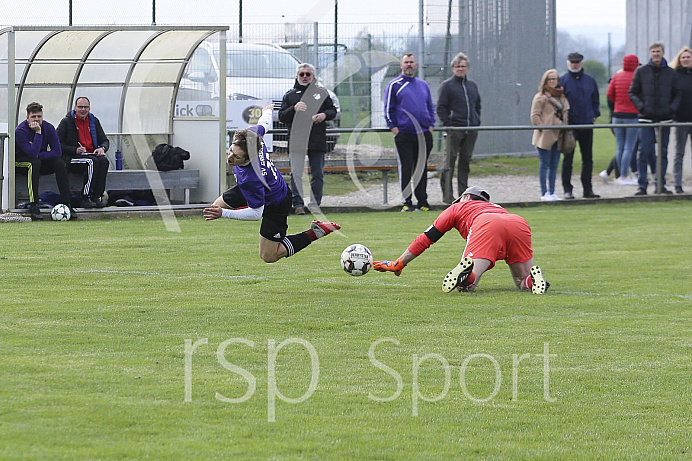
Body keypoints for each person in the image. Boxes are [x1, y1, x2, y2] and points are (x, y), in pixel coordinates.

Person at [203, 104, 340, 263]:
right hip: (259, 188)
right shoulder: (252, 137)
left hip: (277, 202)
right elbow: (264, 124)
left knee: (269, 256)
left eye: (236, 157)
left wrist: (224, 214)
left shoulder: (252, 178)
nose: (230, 158)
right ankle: (247, 205)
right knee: (215, 206)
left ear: (249, 159)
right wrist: (267, 111)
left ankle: (316, 232)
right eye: (231, 151)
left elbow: (256, 214)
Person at [373, 186, 549, 294]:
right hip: (517, 222)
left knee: (466, 287)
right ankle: (532, 280)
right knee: (521, 281)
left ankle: (466, 278)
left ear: (466, 197)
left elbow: (426, 239)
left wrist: (399, 263)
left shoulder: (459, 206)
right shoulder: (495, 206)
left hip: (487, 223)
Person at [278, 63, 338, 215]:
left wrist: (324, 115)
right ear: (297, 76)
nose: (304, 77)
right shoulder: (290, 95)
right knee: (296, 173)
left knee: (317, 174)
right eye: (301, 74)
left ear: (313, 76)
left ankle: (315, 204)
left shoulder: (322, 93)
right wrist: (294, 109)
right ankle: (298, 204)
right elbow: (281, 116)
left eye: (307, 74)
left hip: (317, 139)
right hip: (297, 140)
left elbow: (332, 110)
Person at [384, 53, 436, 212]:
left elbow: (430, 107)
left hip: (423, 134)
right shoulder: (394, 85)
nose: (409, 65)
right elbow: (388, 109)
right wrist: (394, 129)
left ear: (416, 65)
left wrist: (431, 125)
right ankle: (407, 202)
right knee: (406, 168)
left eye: (411, 62)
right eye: (406, 62)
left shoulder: (423, 85)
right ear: (401, 65)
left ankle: (422, 202)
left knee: (421, 168)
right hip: (404, 134)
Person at [629, 41, 681, 195]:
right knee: (644, 151)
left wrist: (671, 109)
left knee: (663, 153)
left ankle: (660, 184)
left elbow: (677, 94)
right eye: (653, 51)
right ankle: (642, 185)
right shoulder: (641, 71)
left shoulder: (671, 73)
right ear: (650, 53)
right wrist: (642, 107)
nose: (656, 54)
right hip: (646, 118)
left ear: (663, 53)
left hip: (665, 118)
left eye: (658, 51)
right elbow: (632, 92)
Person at [14, 102, 77, 221]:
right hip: (20, 162)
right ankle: (34, 204)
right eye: (33, 117)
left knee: (59, 163)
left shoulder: (49, 127)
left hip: (38, 160)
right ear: (27, 118)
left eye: (39, 116)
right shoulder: (21, 131)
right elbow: (31, 154)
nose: (36, 120)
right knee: (34, 163)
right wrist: (38, 133)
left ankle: (67, 203)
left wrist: (38, 153)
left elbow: (57, 152)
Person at [436, 52, 481, 204]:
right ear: (453, 68)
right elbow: (440, 107)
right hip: (454, 130)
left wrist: (476, 121)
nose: (460, 69)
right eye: (457, 66)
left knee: (465, 162)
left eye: (463, 66)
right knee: (449, 162)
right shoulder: (447, 86)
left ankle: (464, 195)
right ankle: (448, 196)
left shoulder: (472, 86)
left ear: (467, 68)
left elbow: (477, 105)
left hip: (471, 130)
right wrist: (449, 124)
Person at [560, 52, 601, 199]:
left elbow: (595, 99)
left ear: (581, 63)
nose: (575, 64)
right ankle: (567, 189)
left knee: (588, 158)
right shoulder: (563, 81)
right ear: (568, 63)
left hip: (586, 124)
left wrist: (594, 115)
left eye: (577, 62)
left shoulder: (590, 80)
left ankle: (587, 189)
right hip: (570, 126)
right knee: (568, 159)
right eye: (572, 62)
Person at [57, 96, 110, 208]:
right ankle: (86, 196)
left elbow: (104, 140)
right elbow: (56, 144)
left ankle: (97, 195)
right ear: (75, 108)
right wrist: (74, 150)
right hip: (71, 158)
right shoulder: (66, 122)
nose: (83, 110)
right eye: (80, 107)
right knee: (92, 162)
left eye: (85, 107)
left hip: (90, 155)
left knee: (103, 161)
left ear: (89, 108)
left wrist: (102, 148)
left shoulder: (94, 121)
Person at [530, 69, 569, 201]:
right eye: (550, 79)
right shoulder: (540, 97)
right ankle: (544, 192)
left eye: (554, 79)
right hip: (545, 136)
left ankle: (552, 191)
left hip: (559, 135)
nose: (552, 82)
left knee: (554, 165)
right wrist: (543, 128)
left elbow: (565, 113)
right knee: (544, 164)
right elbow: (535, 116)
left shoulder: (562, 97)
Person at [606, 54, 640, 186]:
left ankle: (619, 175)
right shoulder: (637, 77)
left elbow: (609, 94)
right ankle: (625, 176)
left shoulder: (617, 76)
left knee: (620, 146)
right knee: (629, 147)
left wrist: (618, 104)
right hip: (632, 115)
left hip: (617, 115)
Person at [671, 46, 692, 194]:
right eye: (683, 57)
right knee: (679, 153)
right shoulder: (675, 75)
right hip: (680, 119)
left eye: (688, 57)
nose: (685, 59)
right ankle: (678, 184)